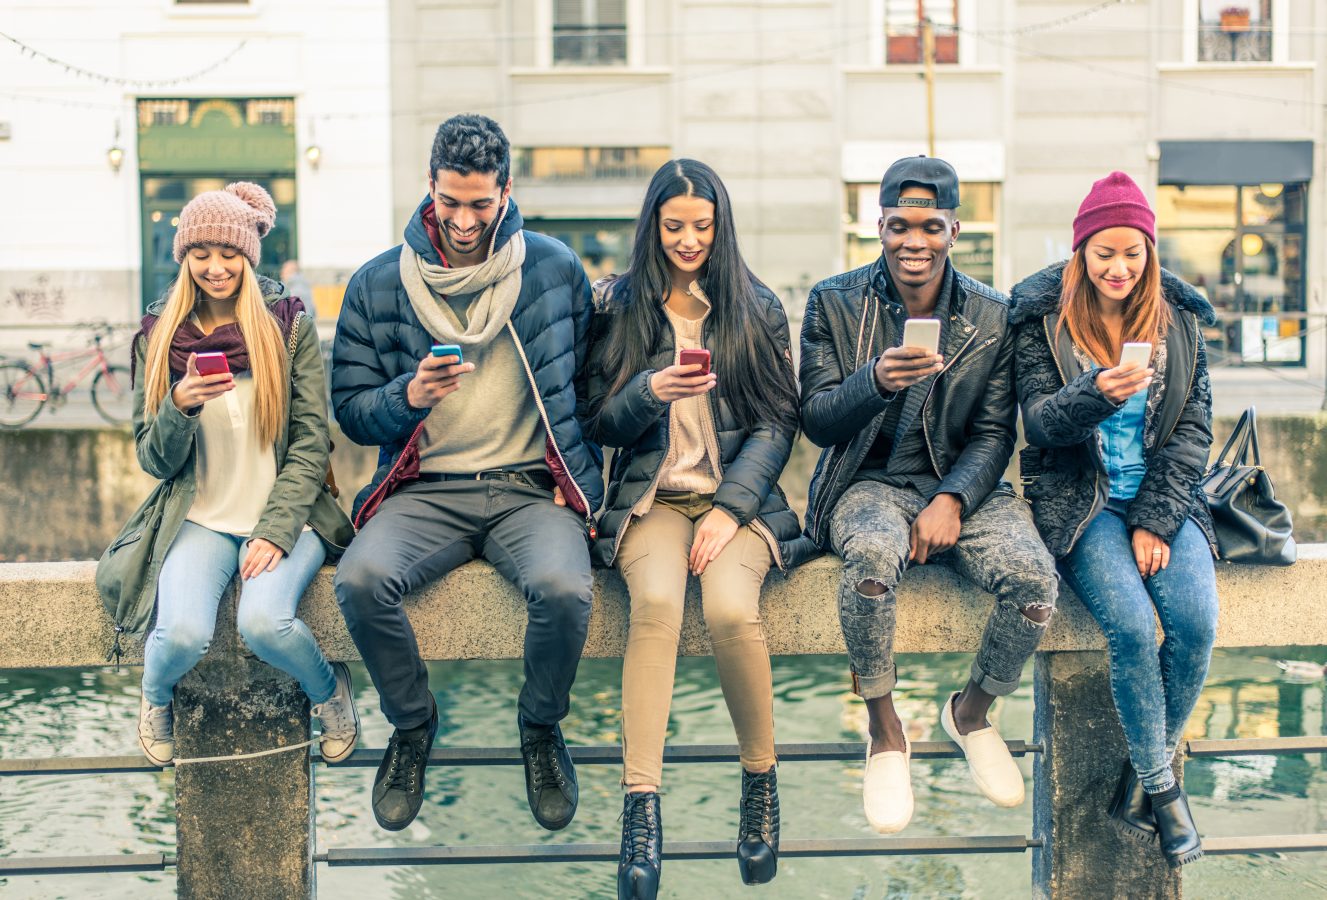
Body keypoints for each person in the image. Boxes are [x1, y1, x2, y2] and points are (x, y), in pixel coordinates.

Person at [331, 114, 603, 833]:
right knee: (359, 581)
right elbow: (351, 414)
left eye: (479, 204)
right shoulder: (378, 282)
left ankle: (540, 729)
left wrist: (576, 478)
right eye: (449, 201)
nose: (461, 219)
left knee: (564, 590)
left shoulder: (552, 267)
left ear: (506, 193)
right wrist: (406, 398)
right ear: (430, 188)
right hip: (423, 491)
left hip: (526, 490)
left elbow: (589, 385)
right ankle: (413, 727)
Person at [799, 156, 1058, 834]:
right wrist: (875, 381)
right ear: (877, 226)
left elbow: (996, 432)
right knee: (869, 568)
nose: (913, 242)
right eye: (897, 226)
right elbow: (816, 418)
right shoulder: (832, 300)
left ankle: (970, 711)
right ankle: (884, 730)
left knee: (1034, 582)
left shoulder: (992, 314)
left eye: (929, 226)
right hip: (866, 482)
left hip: (957, 484)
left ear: (954, 229)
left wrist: (952, 500)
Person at [587, 159, 816, 900]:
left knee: (726, 608)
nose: (689, 240)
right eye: (675, 225)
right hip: (652, 499)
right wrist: (648, 391)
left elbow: (779, 421)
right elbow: (596, 421)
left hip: (735, 504)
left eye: (702, 226)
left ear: (721, 227)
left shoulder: (753, 306)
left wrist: (728, 510)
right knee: (654, 607)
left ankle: (759, 784)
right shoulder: (618, 306)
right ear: (653, 225)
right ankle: (640, 809)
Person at [107, 182, 357, 768]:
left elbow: (310, 444)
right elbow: (153, 459)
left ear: (248, 255)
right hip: (201, 518)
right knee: (180, 636)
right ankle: (154, 697)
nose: (215, 268)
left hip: (287, 516)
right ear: (184, 257)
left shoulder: (287, 327)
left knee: (265, 623)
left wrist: (273, 531)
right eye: (201, 254)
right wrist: (181, 405)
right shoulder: (158, 337)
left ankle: (331, 692)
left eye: (228, 254)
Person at [1011, 171, 1217, 869]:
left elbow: (1192, 431)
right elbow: (1038, 425)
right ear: (1080, 255)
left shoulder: (1179, 322)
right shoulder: (1042, 321)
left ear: (1149, 254)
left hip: (1160, 499)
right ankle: (1162, 791)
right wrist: (1092, 395)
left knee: (1193, 623)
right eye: (1103, 253)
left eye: (1132, 252)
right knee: (1130, 627)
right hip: (1082, 500)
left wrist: (1157, 521)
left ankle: (1141, 768)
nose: (1118, 267)